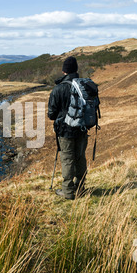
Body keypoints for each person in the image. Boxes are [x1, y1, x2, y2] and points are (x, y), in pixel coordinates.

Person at [48, 56, 88, 200]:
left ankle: (68, 192)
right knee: (80, 157)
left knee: (67, 159)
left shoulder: (58, 89)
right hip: (82, 128)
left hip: (65, 131)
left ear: (64, 70)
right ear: (76, 70)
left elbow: (51, 114)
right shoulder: (83, 85)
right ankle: (81, 188)